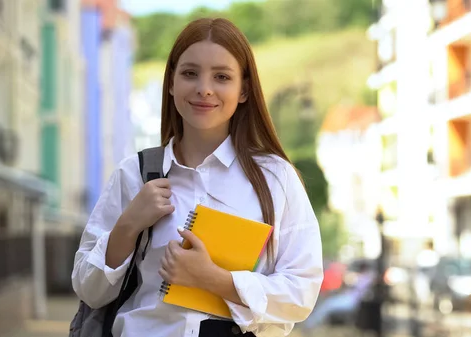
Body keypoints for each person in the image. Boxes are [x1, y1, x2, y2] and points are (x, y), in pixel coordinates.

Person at [71, 18, 324, 337]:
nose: (204, 88)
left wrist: (214, 279)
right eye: (190, 73)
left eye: (222, 76)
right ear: (172, 83)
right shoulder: (134, 174)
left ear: (243, 89)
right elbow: (88, 289)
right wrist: (128, 225)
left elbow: (301, 293)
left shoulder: (275, 178)